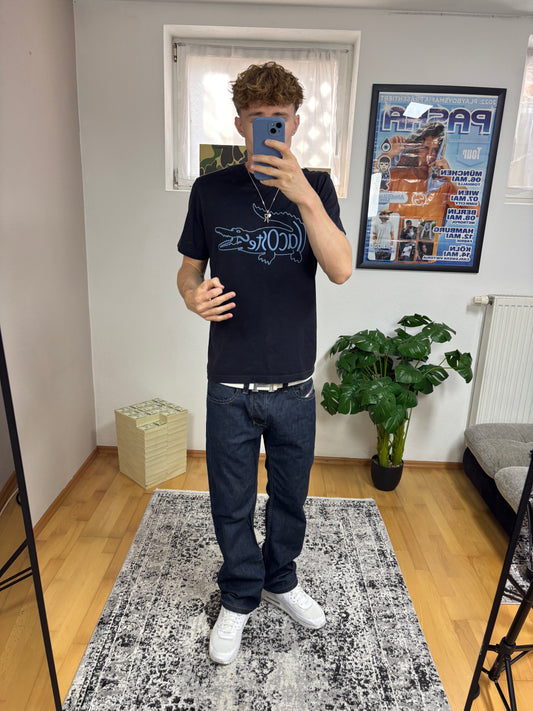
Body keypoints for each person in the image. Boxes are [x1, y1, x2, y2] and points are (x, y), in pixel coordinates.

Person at [176, 61, 352, 665]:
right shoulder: (210, 191)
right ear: (239, 124)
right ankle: (239, 594)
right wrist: (192, 297)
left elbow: (340, 269)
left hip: (294, 382)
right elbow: (188, 271)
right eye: (257, 119)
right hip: (229, 379)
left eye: (279, 118)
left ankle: (280, 580)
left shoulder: (318, 186)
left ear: (296, 123)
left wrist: (302, 194)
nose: (269, 128)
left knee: (289, 498)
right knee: (230, 501)